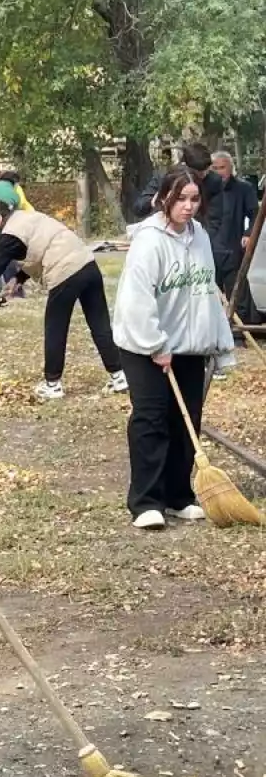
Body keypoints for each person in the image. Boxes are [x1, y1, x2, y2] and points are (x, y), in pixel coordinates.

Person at [113, 169, 235, 530]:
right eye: (180, 198)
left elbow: (205, 290)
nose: (188, 206)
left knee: (186, 421)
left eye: (194, 199)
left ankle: (178, 496)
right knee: (151, 418)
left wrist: (219, 343)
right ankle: (146, 501)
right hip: (142, 343)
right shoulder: (149, 241)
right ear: (163, 198)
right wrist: (155, 344)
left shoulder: (199, 237)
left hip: (187, 345)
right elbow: (137, 299)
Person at [0, 201, 127, 400]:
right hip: (87, 264)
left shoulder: (9, 233)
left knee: (55, 328)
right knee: (99, 324)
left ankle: (53, 384)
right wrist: (18, 279)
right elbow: (39, 247)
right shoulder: (27, 217)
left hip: (64, 272)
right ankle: (119, 376)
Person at [209, 151, 257, 322]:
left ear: (231, 167)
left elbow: (255, 214)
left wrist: (248, 233)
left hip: (232, 248)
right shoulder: (204, 188)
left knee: (237, 292)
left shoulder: (243, 188)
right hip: (209, 247)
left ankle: (238, 332)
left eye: (222, 167)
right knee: (209, 294)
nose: (219, 172)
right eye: (214, 168)